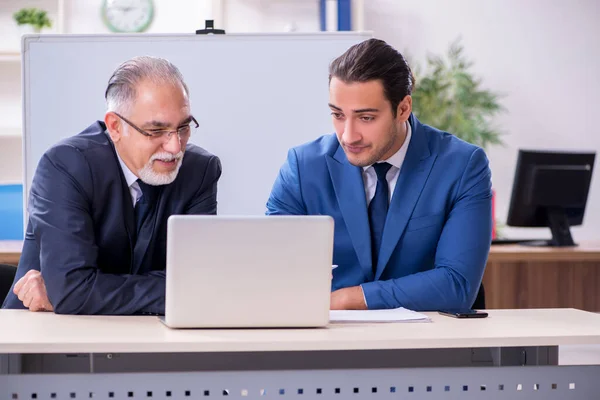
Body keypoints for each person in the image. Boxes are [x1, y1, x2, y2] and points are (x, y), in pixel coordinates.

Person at [267, 39, 492, 311]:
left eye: (366, 118)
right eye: (338, 115)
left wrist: (349, 298)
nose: (348, 136)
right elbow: (274, 273)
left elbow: (457, 285)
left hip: (427, 343)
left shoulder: (461, 165)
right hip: (327, 343)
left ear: (403, 108)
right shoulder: (303, 168)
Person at [2, 56, 221, 315]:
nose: (175, 147)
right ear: (115, 126)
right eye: (156, 131)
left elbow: (199, 285)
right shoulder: (66, 165)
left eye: (183, 127)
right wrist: (73, 293)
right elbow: (72, 290)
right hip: (44, 334)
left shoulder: (200, 170)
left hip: (148, 334)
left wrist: (80, 293)